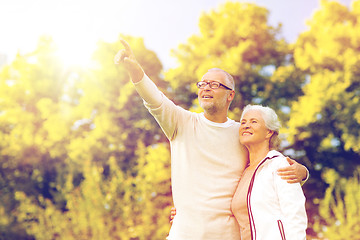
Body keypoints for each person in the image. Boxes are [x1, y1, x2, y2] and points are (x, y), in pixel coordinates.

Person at [114, 39, 308, 240]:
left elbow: (265, 168)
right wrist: (135, 70)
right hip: (184, 234)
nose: (206, 88)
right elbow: (154, 99)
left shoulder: (241, 133)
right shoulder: (181, 122)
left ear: (230, 95)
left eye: (214, 85)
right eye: (203, 84)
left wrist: (302, 173)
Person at [231, 104, 307, 239]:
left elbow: (295, 214)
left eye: (254, 121)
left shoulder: (278, 164)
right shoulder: (242, 171)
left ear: (269, 132)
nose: (246, 125)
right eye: (243, 122)